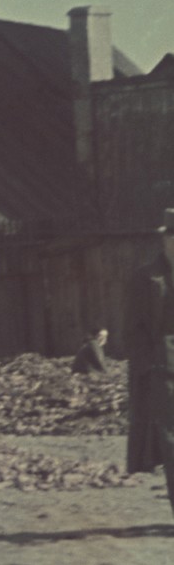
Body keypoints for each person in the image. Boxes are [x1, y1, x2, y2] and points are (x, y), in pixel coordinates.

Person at [126, 208, 174, 517]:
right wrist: (151, 363)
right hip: (164, 370)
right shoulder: (145, 278)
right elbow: (132, 330)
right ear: (166, 241)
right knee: (172, 443)